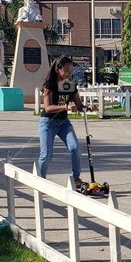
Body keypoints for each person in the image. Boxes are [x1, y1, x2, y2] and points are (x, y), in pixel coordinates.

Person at [37, 56, 87, 189]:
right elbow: (48, 108)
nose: (69, 73)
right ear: (58, 69)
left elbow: (79, 104)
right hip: (48, 122)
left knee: (75, 148)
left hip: (64, 123)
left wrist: (87, 107)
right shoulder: (50, 85)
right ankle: (40, 181)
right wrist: (66, 107)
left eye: (71, 70)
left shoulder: (70, 85)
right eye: (66, 70)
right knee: (46, 154)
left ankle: (76, 179)